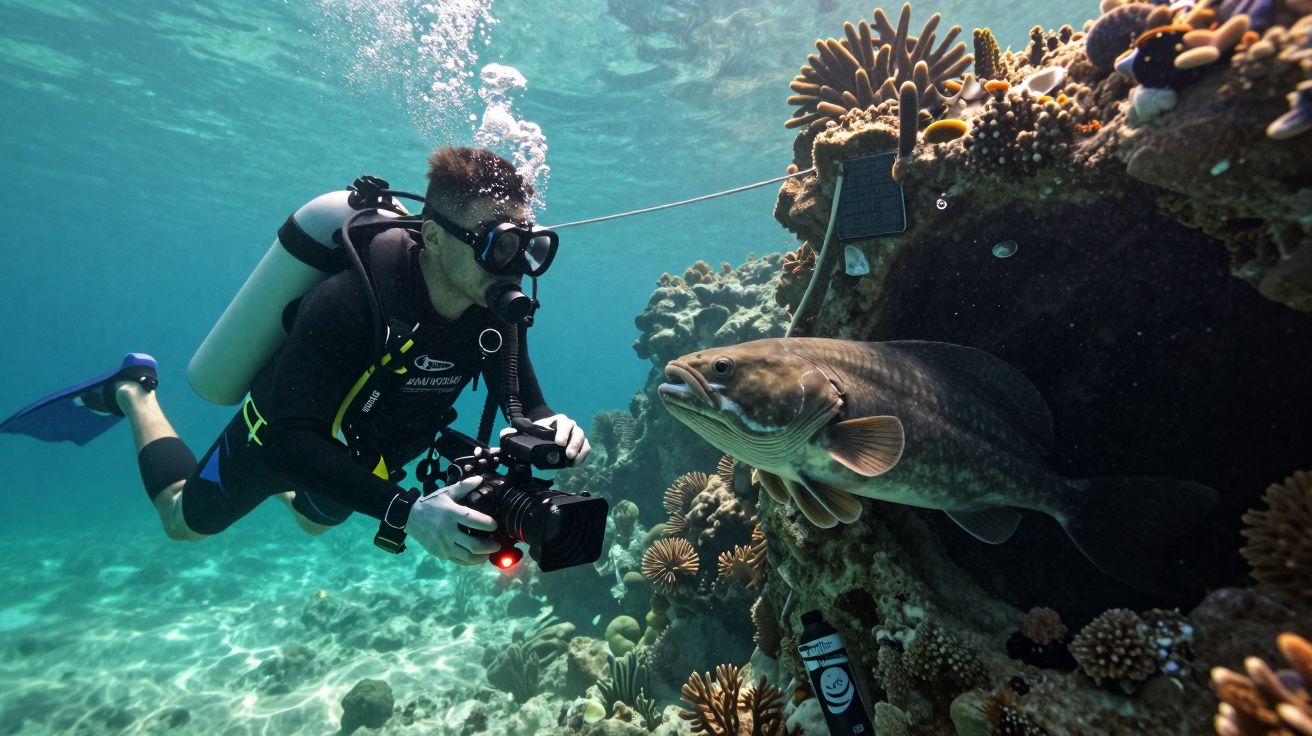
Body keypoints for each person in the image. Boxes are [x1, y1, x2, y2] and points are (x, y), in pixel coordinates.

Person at [0, 147, 590, 565]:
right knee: (184, 524)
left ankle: (311, 491)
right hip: (279, 433)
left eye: (530, 246)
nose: (515, 266)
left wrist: (550, 425)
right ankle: (132, 390)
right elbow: (290, 442)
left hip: (367, 454)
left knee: (312, 522)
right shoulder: (351, 301)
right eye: (500, 245)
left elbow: (523, 402)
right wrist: (407, 512)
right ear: (433, 237)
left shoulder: (493, 307)